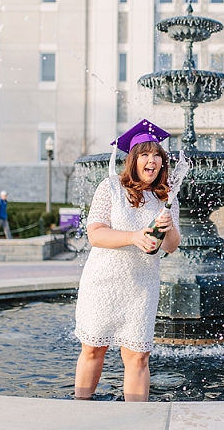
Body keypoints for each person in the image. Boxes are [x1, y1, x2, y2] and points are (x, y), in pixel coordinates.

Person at [73, 119, 181, 402]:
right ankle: (81, 410)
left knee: (138, 356)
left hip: (141, 285)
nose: (152, 160)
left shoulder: (166, 196)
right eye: (144, 154)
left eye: (157, 154)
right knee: (94, 349)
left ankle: (138, 420)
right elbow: (95, 234)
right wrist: (134, 236)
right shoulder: (110, 188)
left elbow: (171, 246)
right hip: (103, 281)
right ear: (132, 160)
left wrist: (169, 227)